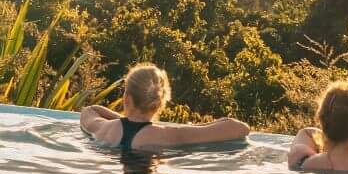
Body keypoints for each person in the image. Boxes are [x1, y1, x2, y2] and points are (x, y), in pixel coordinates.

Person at [79, 63, 250, 154]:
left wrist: (123, 120)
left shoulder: (103, 128)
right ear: (160, 102)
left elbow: (90, 110)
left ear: (126, 98)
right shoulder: (168, 135)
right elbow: (240, 128)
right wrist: (191, 128)